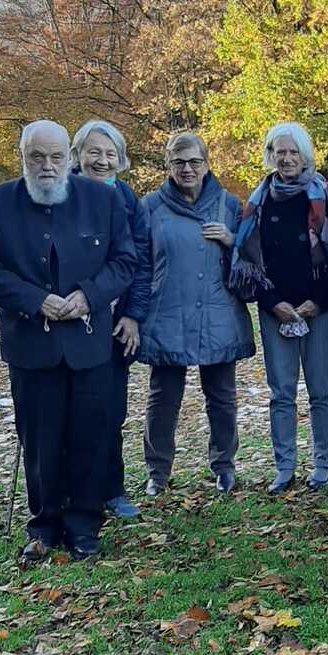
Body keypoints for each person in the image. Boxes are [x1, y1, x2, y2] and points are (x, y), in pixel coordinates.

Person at [0, 120, 135, 562]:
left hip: (88, 341)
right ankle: (43, 525)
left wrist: (89, 296)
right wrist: (36, 300)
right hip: (31, 342)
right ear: (21, 156)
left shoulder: (104, 199)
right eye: (36, 157)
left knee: (90, 435)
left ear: (70, 157)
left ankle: (84, 526)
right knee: (39, 438)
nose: (47, 166)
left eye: (56, 157)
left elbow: (124, 261)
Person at [230, 123, 328, 495]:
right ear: (270, 155)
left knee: (322, 391)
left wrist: (320, 300)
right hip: (274, 307)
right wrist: (271, 302)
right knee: (281, 392)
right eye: (280, 151)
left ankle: (323, 465)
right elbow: (248, 260)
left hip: (321, 307)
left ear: (305, 155)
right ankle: (285, 467)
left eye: (294, 152)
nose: (287, 158)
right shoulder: (258, 201)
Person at [138, 132, 255, 495]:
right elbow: (140, 263)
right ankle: (157, 472)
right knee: (163, 398)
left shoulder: (229, 205)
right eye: (179, 161)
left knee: (221, 396)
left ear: (206, 163)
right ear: (168, 165)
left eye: (194, 161)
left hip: (218, 312)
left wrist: (232, 241)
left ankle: (224, 466)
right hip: (167, 314)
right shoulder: (150, 207)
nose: (187, 168)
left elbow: (253, 257)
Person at [70, 118, 152, 520]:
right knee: (66, 413)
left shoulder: (127, 198)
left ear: (121, 161)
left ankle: (111, 489)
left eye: (110, 154)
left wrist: (134, 314)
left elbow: (140, 261)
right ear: (78, 156)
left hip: (114, 323)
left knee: (109, 410)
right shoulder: (59, 193)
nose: (102, 161)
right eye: (94, 152)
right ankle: (69, 493)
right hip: (67, 319)